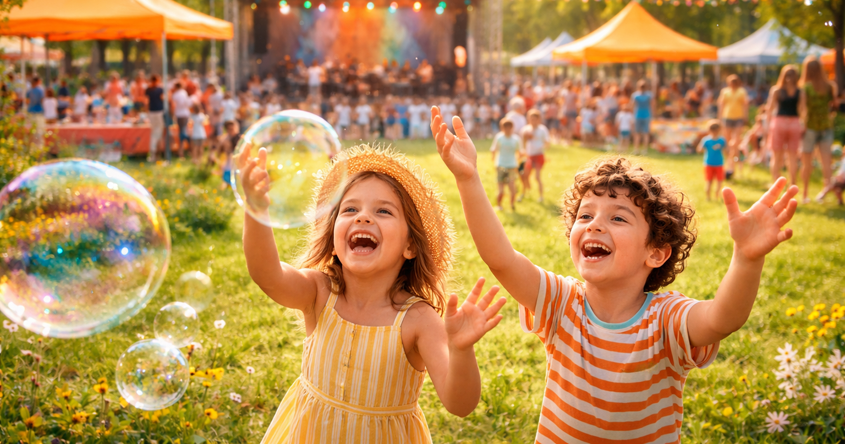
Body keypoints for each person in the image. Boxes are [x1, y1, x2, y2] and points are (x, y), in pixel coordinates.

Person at [431, 106, 799, 443]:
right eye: (585, 215)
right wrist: (468, 178)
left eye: (618, 217)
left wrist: (747, 259)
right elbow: (502, 260)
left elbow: (723, 319)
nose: (594, 226)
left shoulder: (666, 320)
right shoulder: (561, 303)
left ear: (655, 253)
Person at [241, 145, 507, 443]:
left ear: (410, 247)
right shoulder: (318, 292)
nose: (363, 218)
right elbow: (267, 274)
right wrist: (256, 210)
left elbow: (460, 404)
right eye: (350, 209)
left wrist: (460, 350)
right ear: (333, 234)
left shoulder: (418, 320)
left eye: (383, 211)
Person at [799, 56, 838, 203]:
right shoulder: (829, 86)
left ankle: (805, 194)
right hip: (826, 126)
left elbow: (802, 109)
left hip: (810, 127)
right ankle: (825, 193)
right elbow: (834, 105)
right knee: (826, 162)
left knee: (806, 163)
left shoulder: (805, 88)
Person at [766, 65, 804, 188]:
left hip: (779, 122)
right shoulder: (800, 91)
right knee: (792, 156)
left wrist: (767, 124)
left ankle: (776, 184)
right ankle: (793, 184)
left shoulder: (776, 90)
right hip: (794, 122)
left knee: (776, 155)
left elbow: (769, 108)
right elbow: (803, 110)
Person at [718, 75, 748, 179]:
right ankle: (731, 161)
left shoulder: (741, 91)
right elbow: (721, 104)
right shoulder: (725, 91)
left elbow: (745, 105)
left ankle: (732, 165)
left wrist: (745, 116)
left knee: (735, 141)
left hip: (738, 117)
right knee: (728, 142)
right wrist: (720, 117)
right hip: (727, 117)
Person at [490, 118, 523, 211]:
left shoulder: (516, 139)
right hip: (500, 165)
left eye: (509, 127)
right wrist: (493, 158)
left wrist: (520, 159)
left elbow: (520, 152)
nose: (507, 129)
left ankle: (512, 205)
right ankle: (499, 205)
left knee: (512, 188)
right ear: (502, 128)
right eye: (505, 127)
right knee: (501, 189)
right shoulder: (499, 137)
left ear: (512, 128)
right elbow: (493, 149)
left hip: (512, 166)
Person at [521, 109, 550, 203]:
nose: (532, 121)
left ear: (538, 119)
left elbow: (547, 143)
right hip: (529, 156)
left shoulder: (542, 129)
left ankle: (541, 196)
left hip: (538, 155)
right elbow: (522, 142)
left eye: (534, 119)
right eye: (531, 119)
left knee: (537, 177)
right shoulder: (526, 129)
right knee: (525, 175)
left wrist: (539, 147)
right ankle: (523, 193)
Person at [697, 120, 727, 201]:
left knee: (719, 181)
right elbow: (699, 150)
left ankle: (716, 196)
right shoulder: (706, 140)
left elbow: (726, 151)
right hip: (709, 163)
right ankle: (708, 197)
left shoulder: (722, 140)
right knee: (709, 181)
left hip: (718, 163)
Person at [145, 75, 165, 162]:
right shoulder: (159, 89)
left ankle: (154, 153)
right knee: (158, 133)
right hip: (159, 112)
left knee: (154, 133)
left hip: (152, 112)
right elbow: (163, 99)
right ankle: (156, 153)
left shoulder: (149, 90)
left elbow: (146, 102)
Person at [631, 80, 653, 155]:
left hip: (638, 115)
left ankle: (636, 149)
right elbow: (652, 105)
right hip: (646, 115)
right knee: (645, 133)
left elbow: (632, 105)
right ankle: (645, 150)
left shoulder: (635, 95)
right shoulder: (649, 95)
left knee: (637, 133)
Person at [171, 82, 192, 158]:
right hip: (185, 114)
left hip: (179, 114)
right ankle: (188, 149)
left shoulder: (175, 94)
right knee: (183, 131)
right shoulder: (184, 93)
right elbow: (188, 104)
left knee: (182, 132)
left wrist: (172, 114)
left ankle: (182, 151)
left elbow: (173, 105)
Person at [26, 76, 45, 146]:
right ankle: (39, 147)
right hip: (38, 112)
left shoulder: (29, 91)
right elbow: (42, 100)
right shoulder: (40, 90)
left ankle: (31, 146)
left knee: (32, 130)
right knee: (39, 130)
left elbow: (27, 101)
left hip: (30, 111)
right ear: (38, 82)